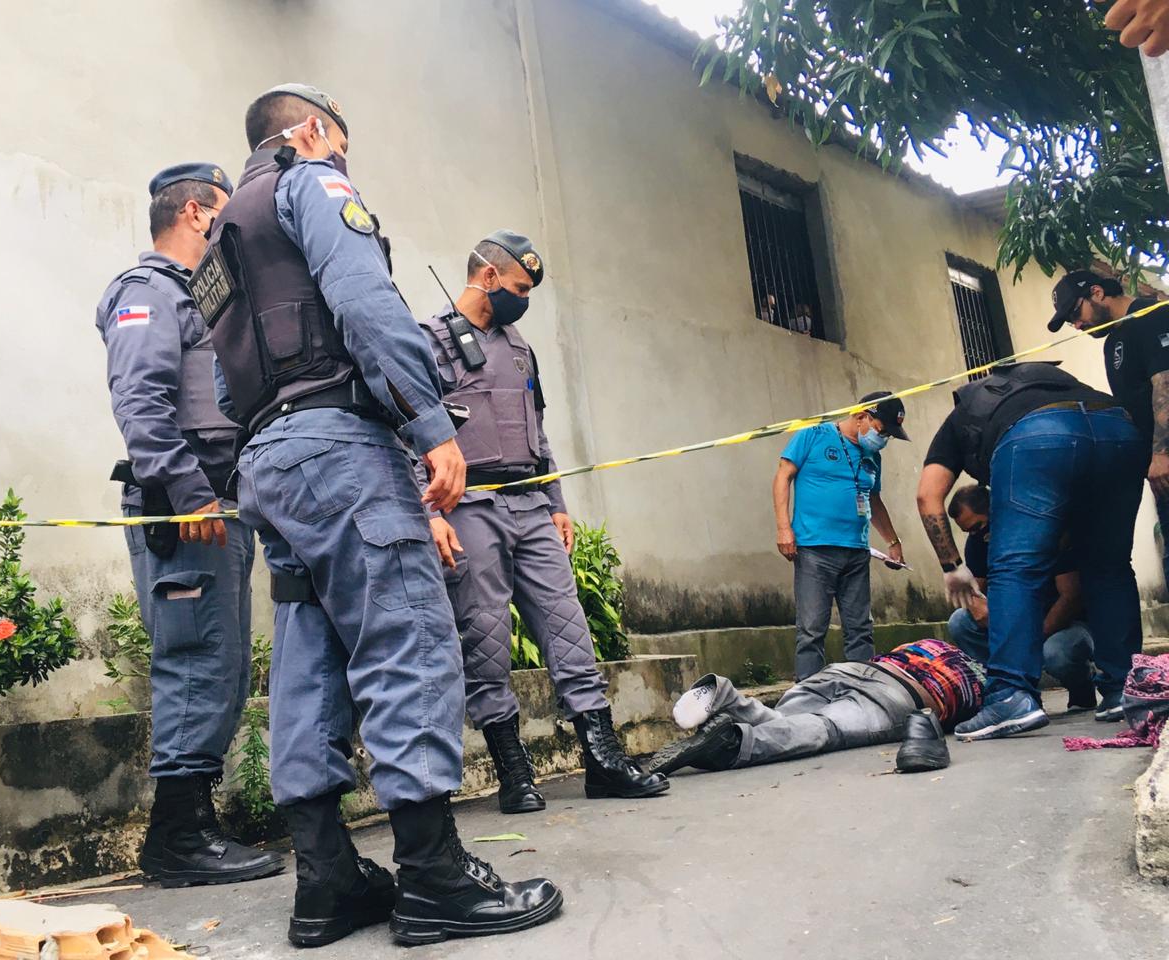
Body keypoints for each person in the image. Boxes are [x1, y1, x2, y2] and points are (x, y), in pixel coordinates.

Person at [203, 85, 561, 948]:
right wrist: (432, 425)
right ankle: (434, 876)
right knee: (406, 634)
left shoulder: (221, 237)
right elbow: (367, 304)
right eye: (343, 146)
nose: (345, 162)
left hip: (268, 462)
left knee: (308, 660)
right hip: (339, 445)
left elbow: (221, 380)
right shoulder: (312, 182)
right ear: (314, 130)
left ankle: (325, 883)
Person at [419, 231, 668, 815]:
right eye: (519, 288)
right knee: (486, 640)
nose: (523, 299)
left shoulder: (519, 347)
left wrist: (557, 502)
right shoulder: (426, 343)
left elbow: (540, 432)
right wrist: (428, 512)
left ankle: (603, 760)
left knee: (568, 628)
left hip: (531, 504)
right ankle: (513, 772)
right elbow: (410, 436)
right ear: (487, 277)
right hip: (468, 505)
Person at [95, 163, 283, 889]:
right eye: (228, 217)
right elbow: (139, 402)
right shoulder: (146, 293)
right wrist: (186, 492)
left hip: (218, 504)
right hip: (186, 511)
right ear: (202, 215)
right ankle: (177, 838)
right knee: (197, 662)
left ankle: (191, 824)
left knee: (225, 667)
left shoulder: (203, 299)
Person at [916, 361, 1145, 741]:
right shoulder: (1064, 386)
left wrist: (951, 566)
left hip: (1039, 440)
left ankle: (1010, 696)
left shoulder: (963, 415)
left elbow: (928, 495)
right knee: (1110, 567)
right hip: (1118, 428)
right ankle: (1125, 689)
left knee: (1015, 568)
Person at [647, 638, 983, 776]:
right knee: (823, 728)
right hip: (898, 695)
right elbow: (966, 720)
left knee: (787, 720)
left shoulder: (927, 644)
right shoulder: (981, 677)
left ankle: (725, 695)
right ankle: (735, 743)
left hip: (850, 669)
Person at [773, 393, 910, 681]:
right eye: (881, 430)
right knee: (812, 629)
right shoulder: (813, 434)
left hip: (856, 552)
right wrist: (784, 527)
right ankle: (808, 698)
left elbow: (874, 499)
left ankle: (866, 694)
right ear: (861, 416)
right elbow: (783, 476)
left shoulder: (873, 456)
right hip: (815, 549)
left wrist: (893, 542)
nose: (883, 438)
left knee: (860, 629)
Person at [1051, 270, 1169, 602]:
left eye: (1076, 313)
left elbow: (1165, 385)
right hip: (1156, 469)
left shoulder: (1152, 315)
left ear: (1098, 293)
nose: (1076, 325)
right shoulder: (1113, 342)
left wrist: (1162, 454)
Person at [944, 483, 1097, 711]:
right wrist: (976, 604)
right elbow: (976, 589)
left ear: (995, 511)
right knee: (960, 621)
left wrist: (1034, 638)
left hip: (1065, 624)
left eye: (978, 526)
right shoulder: (979, 541)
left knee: (1056, 654)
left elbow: (1071, 597)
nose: (978, 535)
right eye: (970, 532)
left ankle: (1082, 686)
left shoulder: (1042, 529)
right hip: (1018, 621)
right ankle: (1009, 692)